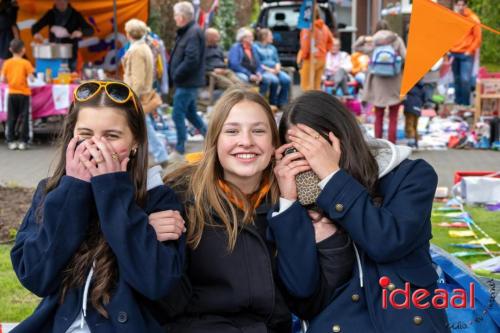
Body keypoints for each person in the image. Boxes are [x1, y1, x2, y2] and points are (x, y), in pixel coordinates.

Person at [152, 88, 354, 332]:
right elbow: (163, 299)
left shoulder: (298, 197)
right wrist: (146, 238)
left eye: (258, 131)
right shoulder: (180, 198)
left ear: (274, 146)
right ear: (214, 141)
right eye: (232, 131)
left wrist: (288, 205)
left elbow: (304, 293)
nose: (246, 141)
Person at [10, 79, 186, 333]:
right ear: (73, 135)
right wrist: (73, 190)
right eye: (85, 134)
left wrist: (115, 197)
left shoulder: (159, 199)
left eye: (112, 136)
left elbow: (156, 282)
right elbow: (36, 277)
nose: (97, 146)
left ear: (135, 142)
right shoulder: (52, 191)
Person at [275, 90, 450, 333]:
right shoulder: (297, 196)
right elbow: (301, 296)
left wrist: (332, 176)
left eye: (314, 146)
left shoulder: (410, 175)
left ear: (340, 138)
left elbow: (386, 241)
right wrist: (288, 205)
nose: (308, 159)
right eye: (295, 150)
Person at [122, 18, 169, 169]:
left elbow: (138, 80)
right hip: (144, 94)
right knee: (143, 127)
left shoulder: (136, 50)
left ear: (128, 33)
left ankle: (159, 156)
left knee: (143, 127)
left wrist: (129, 97)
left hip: (138, 95)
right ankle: (157, 156)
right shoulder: (144, 47)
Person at [169, 1, 207, 162]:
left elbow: (192, 59)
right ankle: (211, 136)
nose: (174, 18)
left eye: (176, 15)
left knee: (177, 113)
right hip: (187, 81)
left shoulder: (192, 32)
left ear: (183, 17)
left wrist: (177, 74)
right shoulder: (189, 31)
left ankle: (180, 148)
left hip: (187, 82)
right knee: (190, 113)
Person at [360, 20, 406, 143]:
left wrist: (363, 38)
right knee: (393, 116)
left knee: (378, 115)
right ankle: (392, 143)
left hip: (377, 82)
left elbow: (356, 47)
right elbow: (405, 56)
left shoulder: (373, 40)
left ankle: (379, 144)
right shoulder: (396, 39)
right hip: (394, 81)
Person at [31, 0, 94, 72]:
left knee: (69, 76)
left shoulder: (75, 14)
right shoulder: (50, 14)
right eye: (58, 1)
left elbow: (90, 30)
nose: (61, 3)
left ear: (67, 2)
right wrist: (35, 33)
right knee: (54, 76)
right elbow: (35, 27)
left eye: (63, 1)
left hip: (70, 53)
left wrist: (81, 32)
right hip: (54, 53)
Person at [0, 39, 34, 150]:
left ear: (10, 49)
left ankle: (11, 140)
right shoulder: (26, 63)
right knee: (25, 118)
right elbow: (31, 79)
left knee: (11, 117)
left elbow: (2, 79)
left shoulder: (7, 63)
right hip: (24, 93)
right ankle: (23, 141)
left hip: (12, 93)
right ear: (23, 50)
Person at [450, 0, 481, 106]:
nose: (460, 7)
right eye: (458, 5)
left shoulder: (473, 18)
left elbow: (478, 38)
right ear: (455, 5)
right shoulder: (453, 17)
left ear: (466, 5)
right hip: (453, 52)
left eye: (462, 5)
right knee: (456, 79)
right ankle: (457, 103)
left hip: (466, 53)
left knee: (465, 79)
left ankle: (465, 103)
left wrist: (470, 50)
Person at [297, 9, 334, 91]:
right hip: (321, 59)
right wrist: (324, 50)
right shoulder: (325, 27)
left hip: (310, 59)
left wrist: (303, 57)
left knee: (306, 87)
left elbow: (305, 45)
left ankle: (309, 103)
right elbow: (331, 42)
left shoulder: (308, 28)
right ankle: (317, 103)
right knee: (317, 86)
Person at [254, 28, 291, 108]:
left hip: (275, 70)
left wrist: (277, 68)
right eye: (270, 35)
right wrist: (270, 70)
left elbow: (277, 60)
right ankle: (272, 103)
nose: (272, 37)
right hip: (264, 70)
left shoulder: (272, 48)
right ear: (264, 37)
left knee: (286, 79)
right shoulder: (255, 47)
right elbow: (257, 63)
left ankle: (281, 102)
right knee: (274, 80)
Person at [0, 0, 19, 69]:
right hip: (5, 55)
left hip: (6, 54)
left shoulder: (9, 21)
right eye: (14, 4)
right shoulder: (5, 19)